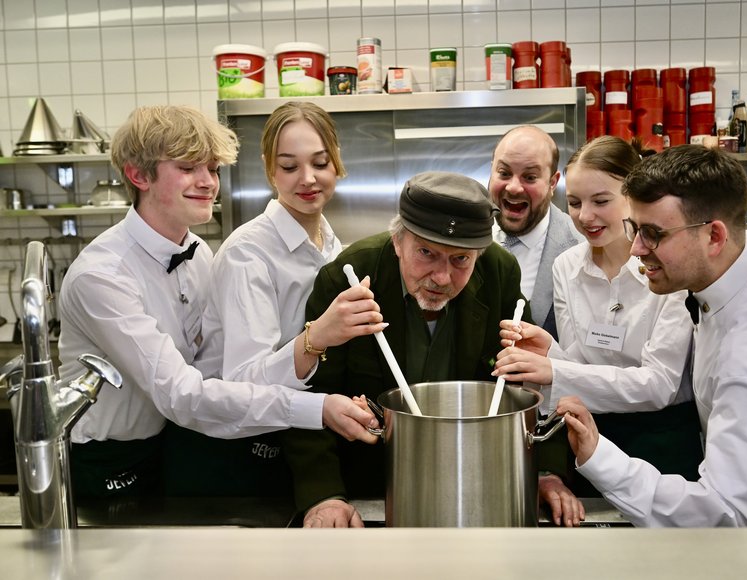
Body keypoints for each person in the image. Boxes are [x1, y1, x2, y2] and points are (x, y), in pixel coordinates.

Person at [58, 105, 378, 499]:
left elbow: (205, 366)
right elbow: (182, 394)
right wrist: (317, 407)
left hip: (174, 443)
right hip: (108, 458)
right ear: (138, 175)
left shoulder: (196, 252)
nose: (208, 182)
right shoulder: (102, 276)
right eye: (188, 167)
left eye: (212, 168)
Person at [557, 144, 747, 527]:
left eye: (653, 233)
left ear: (714, 236)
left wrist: (598, 457)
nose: (636, 249)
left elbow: (724, 515)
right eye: (635, 229)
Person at [284, 171, 584, 527]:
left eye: (461, 260)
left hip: (479, 487)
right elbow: (309, 393)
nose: (441, 278)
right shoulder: (348, 277)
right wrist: (325, 495)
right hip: (373, 488)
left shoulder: (498, 272)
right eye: (426, 252)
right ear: (398, 242)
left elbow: (526, 379)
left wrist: (544, 471)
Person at [162, 101, 387, 497]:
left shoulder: (332, 247)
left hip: (293, 445)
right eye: (289, 166)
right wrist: (317, 337)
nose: (308, 179)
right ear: (269, 169)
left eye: (320, 163)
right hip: (233, 453)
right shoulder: (248, 254)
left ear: (337, 162)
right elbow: (243, 381)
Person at [494, 136, 702, 496]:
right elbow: (581, 369)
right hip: (589, 435)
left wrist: (556, 371)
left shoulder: (667, 268)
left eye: (601, 201)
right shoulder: (567, 266)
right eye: (574, 202)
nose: (584, 216)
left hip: (662, 442)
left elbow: (660, 385)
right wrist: (550, 353)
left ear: (633, 197)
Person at [489, 125, 582, 341]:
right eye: (504, 173)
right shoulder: (463, 237)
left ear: (553, 183)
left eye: (529, 177)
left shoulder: (580, 247)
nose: (513, 188)